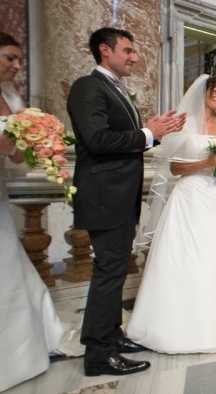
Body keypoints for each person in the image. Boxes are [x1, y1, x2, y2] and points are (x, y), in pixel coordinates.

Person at [67, 27, 186, 376]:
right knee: (109, 271)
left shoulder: (114, 89)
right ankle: (99, 355)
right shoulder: (87, 87)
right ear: (105, 50)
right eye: (128, 50)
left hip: (119, 195)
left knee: (116, 269)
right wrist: (149, 133)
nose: (135, 57)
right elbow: (98, 139)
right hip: (105, 196)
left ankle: (111, 335)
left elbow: (122, 140)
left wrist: (153, 131)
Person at [126, 75, 216, 353]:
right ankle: (176, 324)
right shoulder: (184, 124)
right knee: (187, 257)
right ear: (203, 92)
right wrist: (206, 162)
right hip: (190, 196)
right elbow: (175, 168)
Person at [0, 31, 67, 392]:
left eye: (18, 59)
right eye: (9, 57)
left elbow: (11, 156)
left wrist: (34, 141)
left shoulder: (11, 98)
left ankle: (21, 350)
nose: (16, 65)